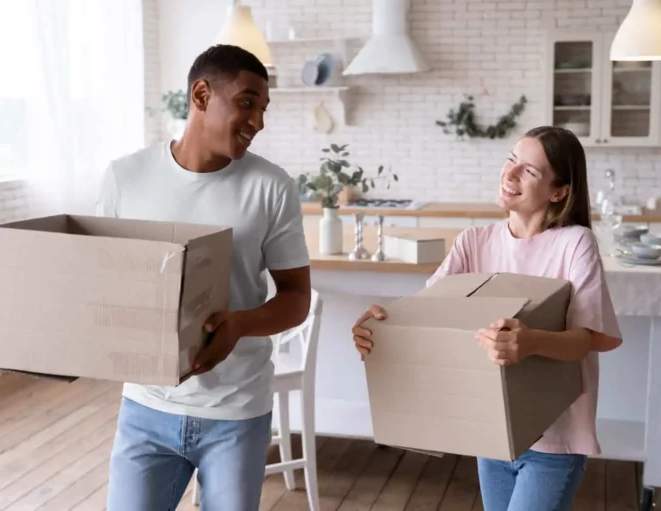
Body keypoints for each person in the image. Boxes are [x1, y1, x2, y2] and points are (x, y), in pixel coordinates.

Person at [351, 126, 623, 510]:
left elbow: (589, 338)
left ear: (559, 191)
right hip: (491, 431)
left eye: (529, 171)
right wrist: (380, 326)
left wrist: (530, 341)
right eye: (511, 160)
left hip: (555, 439)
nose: (510, 174)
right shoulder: (474, 242)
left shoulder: (575, 243)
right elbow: (426, 315)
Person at [96, 44, 312, 511]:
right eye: (247, 102)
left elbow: (297, 297)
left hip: (236, 413)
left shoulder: (271, 188)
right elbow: (102, 288)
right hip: (146, 407)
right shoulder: (124, 179)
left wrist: (238, 325)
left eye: (263, 109)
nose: (258, 121)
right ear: (200, 94)